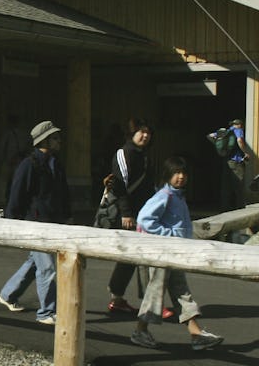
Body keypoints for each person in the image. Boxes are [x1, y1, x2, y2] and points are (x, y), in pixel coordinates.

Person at [128, 155, 224, 350]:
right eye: (176, 173)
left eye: (183, 173)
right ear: (168, 175)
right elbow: (145, 220)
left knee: (182, 292)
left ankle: (196, 334)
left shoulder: (178, 197)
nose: (180, 177)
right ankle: (140, 330)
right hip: (162, 254)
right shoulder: (165, 196)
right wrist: (170, 235)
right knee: (156, 293)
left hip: (174, 254)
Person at [0, 120, 70, 326]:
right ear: (44, 140)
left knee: (33, 263)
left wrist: (67, 215)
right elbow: (17, 193)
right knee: (47, 268)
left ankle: (8, 294)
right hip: (35, 223)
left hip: (52, 222)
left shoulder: (56, 162)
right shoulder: (29, 164)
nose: (59, 141)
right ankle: (46, 312)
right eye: (55, 138)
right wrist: (12, 221)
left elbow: (63, 192)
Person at [106, 118, 153, 315]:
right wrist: (126, 213)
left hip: (143, 214)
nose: (145, 136)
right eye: (141, 132)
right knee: (134, 256)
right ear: (131, 134)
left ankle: (119, 297)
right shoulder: (124, 153)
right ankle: (147, 302)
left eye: (148, 132)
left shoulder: (143, 155)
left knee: (132, 257)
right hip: (129, 215)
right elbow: (119, 184)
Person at [209, 117, 250, 209]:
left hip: (227, 161)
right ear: (240, 125)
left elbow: (210, 136)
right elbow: (239, 140)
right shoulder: (238, 130)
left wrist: (221, 149)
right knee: (239, 184)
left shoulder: (225, 132)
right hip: (236, 161)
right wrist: (245, 152)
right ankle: (240, 207)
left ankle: (225, 207)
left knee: (226, 185)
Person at [0, 115, 31, 204]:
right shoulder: (25, 133)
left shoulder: (8, 133)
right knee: (17, 182)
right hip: (20, 160)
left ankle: (2, 200)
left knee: (3, 182)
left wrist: (1, 159)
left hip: (8, 160)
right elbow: (28, 147)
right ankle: (16, 199)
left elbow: (2, 147)